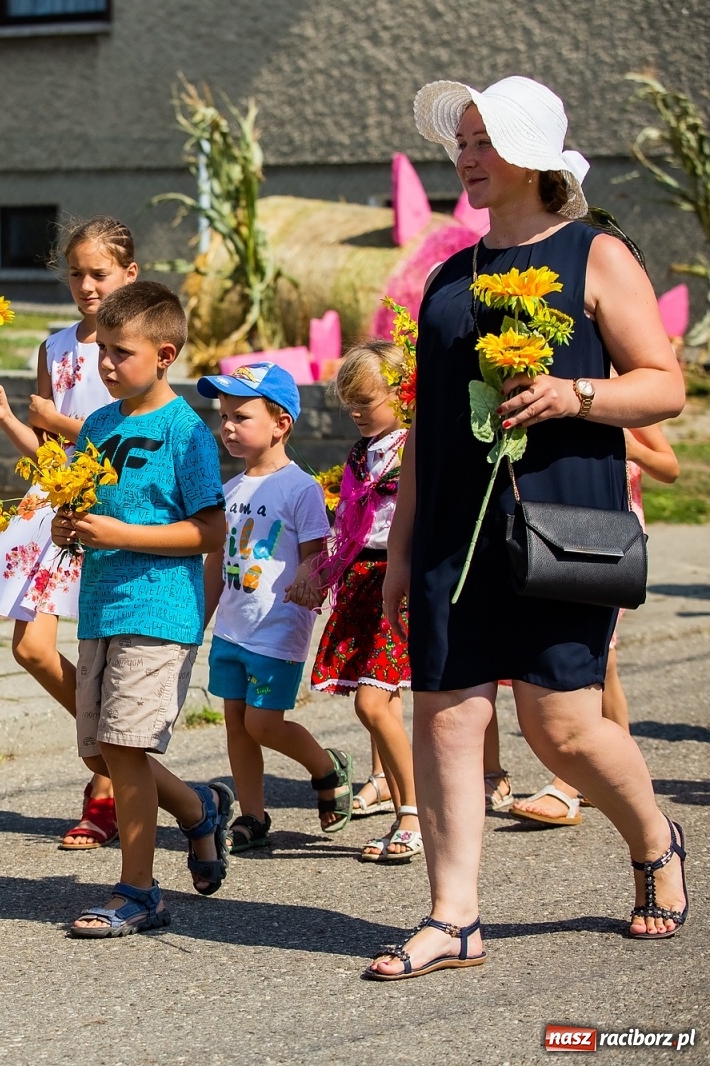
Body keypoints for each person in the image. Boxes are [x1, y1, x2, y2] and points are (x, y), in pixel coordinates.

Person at [369, 76, 688, 981]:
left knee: (562, 729)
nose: (465, 158)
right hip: (452, 534)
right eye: (462, 143)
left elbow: (663, 385)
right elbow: (428, 426)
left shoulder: (595, 253)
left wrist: (573, 395)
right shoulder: (449, 275)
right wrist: (401, 549)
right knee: (446, 717)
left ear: (530, 155)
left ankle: (654, 838)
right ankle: (454, 917)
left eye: (483, 142)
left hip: (562, 523)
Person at [52, 281, 234, 938]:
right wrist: (67, 527)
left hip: (159, 610)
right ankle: (199, 809)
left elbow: (210, 531)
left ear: (164, 355)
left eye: (120, 352)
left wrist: (122, 535)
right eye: (101, 349)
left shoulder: (186, 433)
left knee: (124, 749)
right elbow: (82, 507)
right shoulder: (99, 426)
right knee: (101, 754)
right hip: (100, 606)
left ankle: (139, 891)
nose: (105, 363)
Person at [0, 216, 132, 849]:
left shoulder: (137, 346)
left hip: (113, 508)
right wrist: (9, 416)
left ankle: (109, 785)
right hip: (56, 505)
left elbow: (130, 441)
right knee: (31, 648)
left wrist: (59, 422)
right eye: (76, 274)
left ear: (129, 275)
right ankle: (113, 759)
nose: (86, 286)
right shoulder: (55, 348)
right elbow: (46, 454)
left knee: (105, 654)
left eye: (100, 273)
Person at [198, 363, 351, 854]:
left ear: (281, 423)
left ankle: (325, 768)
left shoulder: (300, 488)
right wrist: (199, 621)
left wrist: (309, 576)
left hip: (277, 627)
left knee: (263, 724)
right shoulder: (229, 491)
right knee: (236, 723)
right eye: (223, 416)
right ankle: (252, 815)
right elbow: (216, 560)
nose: (227, 427)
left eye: (240, 417)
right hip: (232, 628)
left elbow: (316, 553)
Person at [508, 424, 680, 826]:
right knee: (604, 664)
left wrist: (631, 448)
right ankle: (617, 775)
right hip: (560, 539)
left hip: (610, 547)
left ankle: (571, 783)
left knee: (599, 660)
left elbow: (670, 468)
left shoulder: (628, 405)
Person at [299, 343, 420, 863]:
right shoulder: (361, 453)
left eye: (366, 401)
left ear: (402, 392)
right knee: (378, 703)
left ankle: (414, 813)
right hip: (362, 578)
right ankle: (401, 800)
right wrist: (321, 572)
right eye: (350, 403)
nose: (356, 412)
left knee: (373, 701)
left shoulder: (413, 447)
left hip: (400, 578)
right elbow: (349, 524)